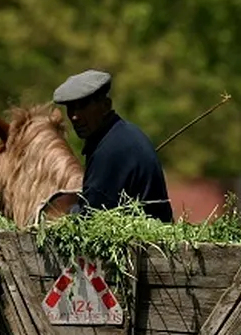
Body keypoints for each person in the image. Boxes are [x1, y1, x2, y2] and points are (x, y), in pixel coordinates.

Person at [52, 69, 174, 223]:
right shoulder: (122, 133)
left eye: (83, 106)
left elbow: (91, 217)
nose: (75, 116)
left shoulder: (111, 150)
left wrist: (67, 213)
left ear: (106, 105)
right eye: (71, 108)